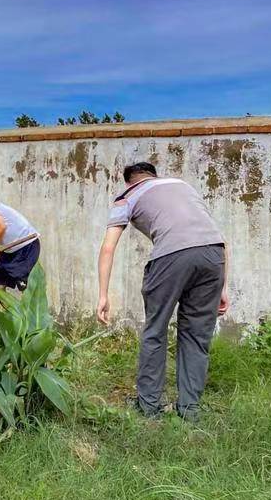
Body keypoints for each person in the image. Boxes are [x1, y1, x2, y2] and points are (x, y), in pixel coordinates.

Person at [97, 162, 230, 421]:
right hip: (213, 256)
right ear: (153, 176)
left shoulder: (127, 196)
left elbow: (108, 248)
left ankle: (148, 407)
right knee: (196, 337)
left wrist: (103, 294)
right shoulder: (183, 187)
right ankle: (189, 410)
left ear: (129, 181)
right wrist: (223, 286)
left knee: (155, 331)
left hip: (171, 257)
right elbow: (220, 239)